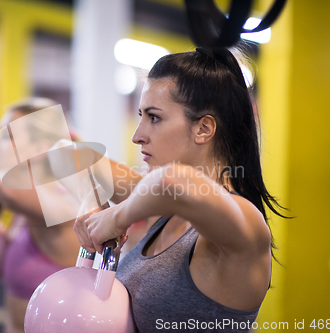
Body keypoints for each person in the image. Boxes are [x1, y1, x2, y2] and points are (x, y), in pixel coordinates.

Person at [73, 47, 290, 333]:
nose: (137, 135)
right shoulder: (167, 207)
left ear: (203, 129)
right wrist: (91, 211)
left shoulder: (245, 222)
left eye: (154, 117)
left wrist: (114, 219)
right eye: (140, 115)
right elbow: (79, 161)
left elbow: (172, 182)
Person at [0, 98, 82, 333]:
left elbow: (3, 188)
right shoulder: (28, 203)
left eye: (9, 137)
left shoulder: (63, 202)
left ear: (41, 148)